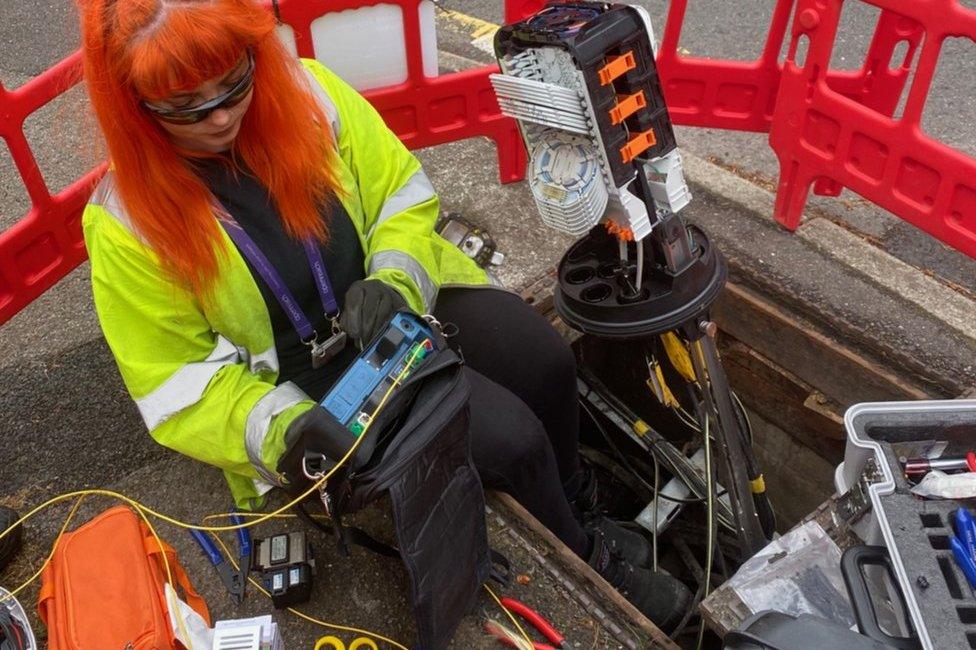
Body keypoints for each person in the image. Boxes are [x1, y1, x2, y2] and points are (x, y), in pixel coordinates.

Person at [77, 0, 691, 631]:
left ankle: (575, 504)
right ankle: (590, 562)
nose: (222, 116)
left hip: (391, 315)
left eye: (235, 82)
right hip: (305, 393)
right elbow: (176, 383)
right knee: (513, 443)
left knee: (545, 360)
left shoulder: (311, 93)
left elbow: (402, 192)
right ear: (134, 105)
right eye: (186, 108)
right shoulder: (126, 223)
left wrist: (394, 280)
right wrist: (289, 431)